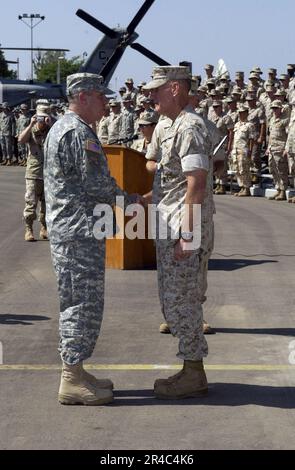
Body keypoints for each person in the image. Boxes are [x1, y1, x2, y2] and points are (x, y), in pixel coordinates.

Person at [44, 73, 141, 406]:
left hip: (77, 230)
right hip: (78, 232)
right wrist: (133, 201)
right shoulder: (76, 132)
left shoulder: (65, 127)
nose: (106, 102)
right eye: (101, 97)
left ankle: (78, 370)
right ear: (83, 97)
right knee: (80, 303)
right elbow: (97, 184)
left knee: (80, 299)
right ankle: (71, 378)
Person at [143, 66, 210, 399]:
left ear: (174, 88)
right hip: (166, 224)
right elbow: (167, 179)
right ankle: (189, 368)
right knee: (171, 300)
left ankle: (194, 372)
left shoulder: (191, 126)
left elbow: (196, 184)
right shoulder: (168, 125)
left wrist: (187, 233)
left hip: (182, 228)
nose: (150, 95)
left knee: (184, 300)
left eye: (156, 89)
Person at [19, 104, 52, 241]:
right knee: (31, 202)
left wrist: (52, 124)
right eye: (39, 117)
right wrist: (31, 123)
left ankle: (44, 228)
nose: (41, 121)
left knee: (46, 204)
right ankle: (29, 229)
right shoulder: (31, 131)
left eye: (44, 118)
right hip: (33, 172)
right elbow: (21, 140)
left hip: (48, 173)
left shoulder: (51, 131)